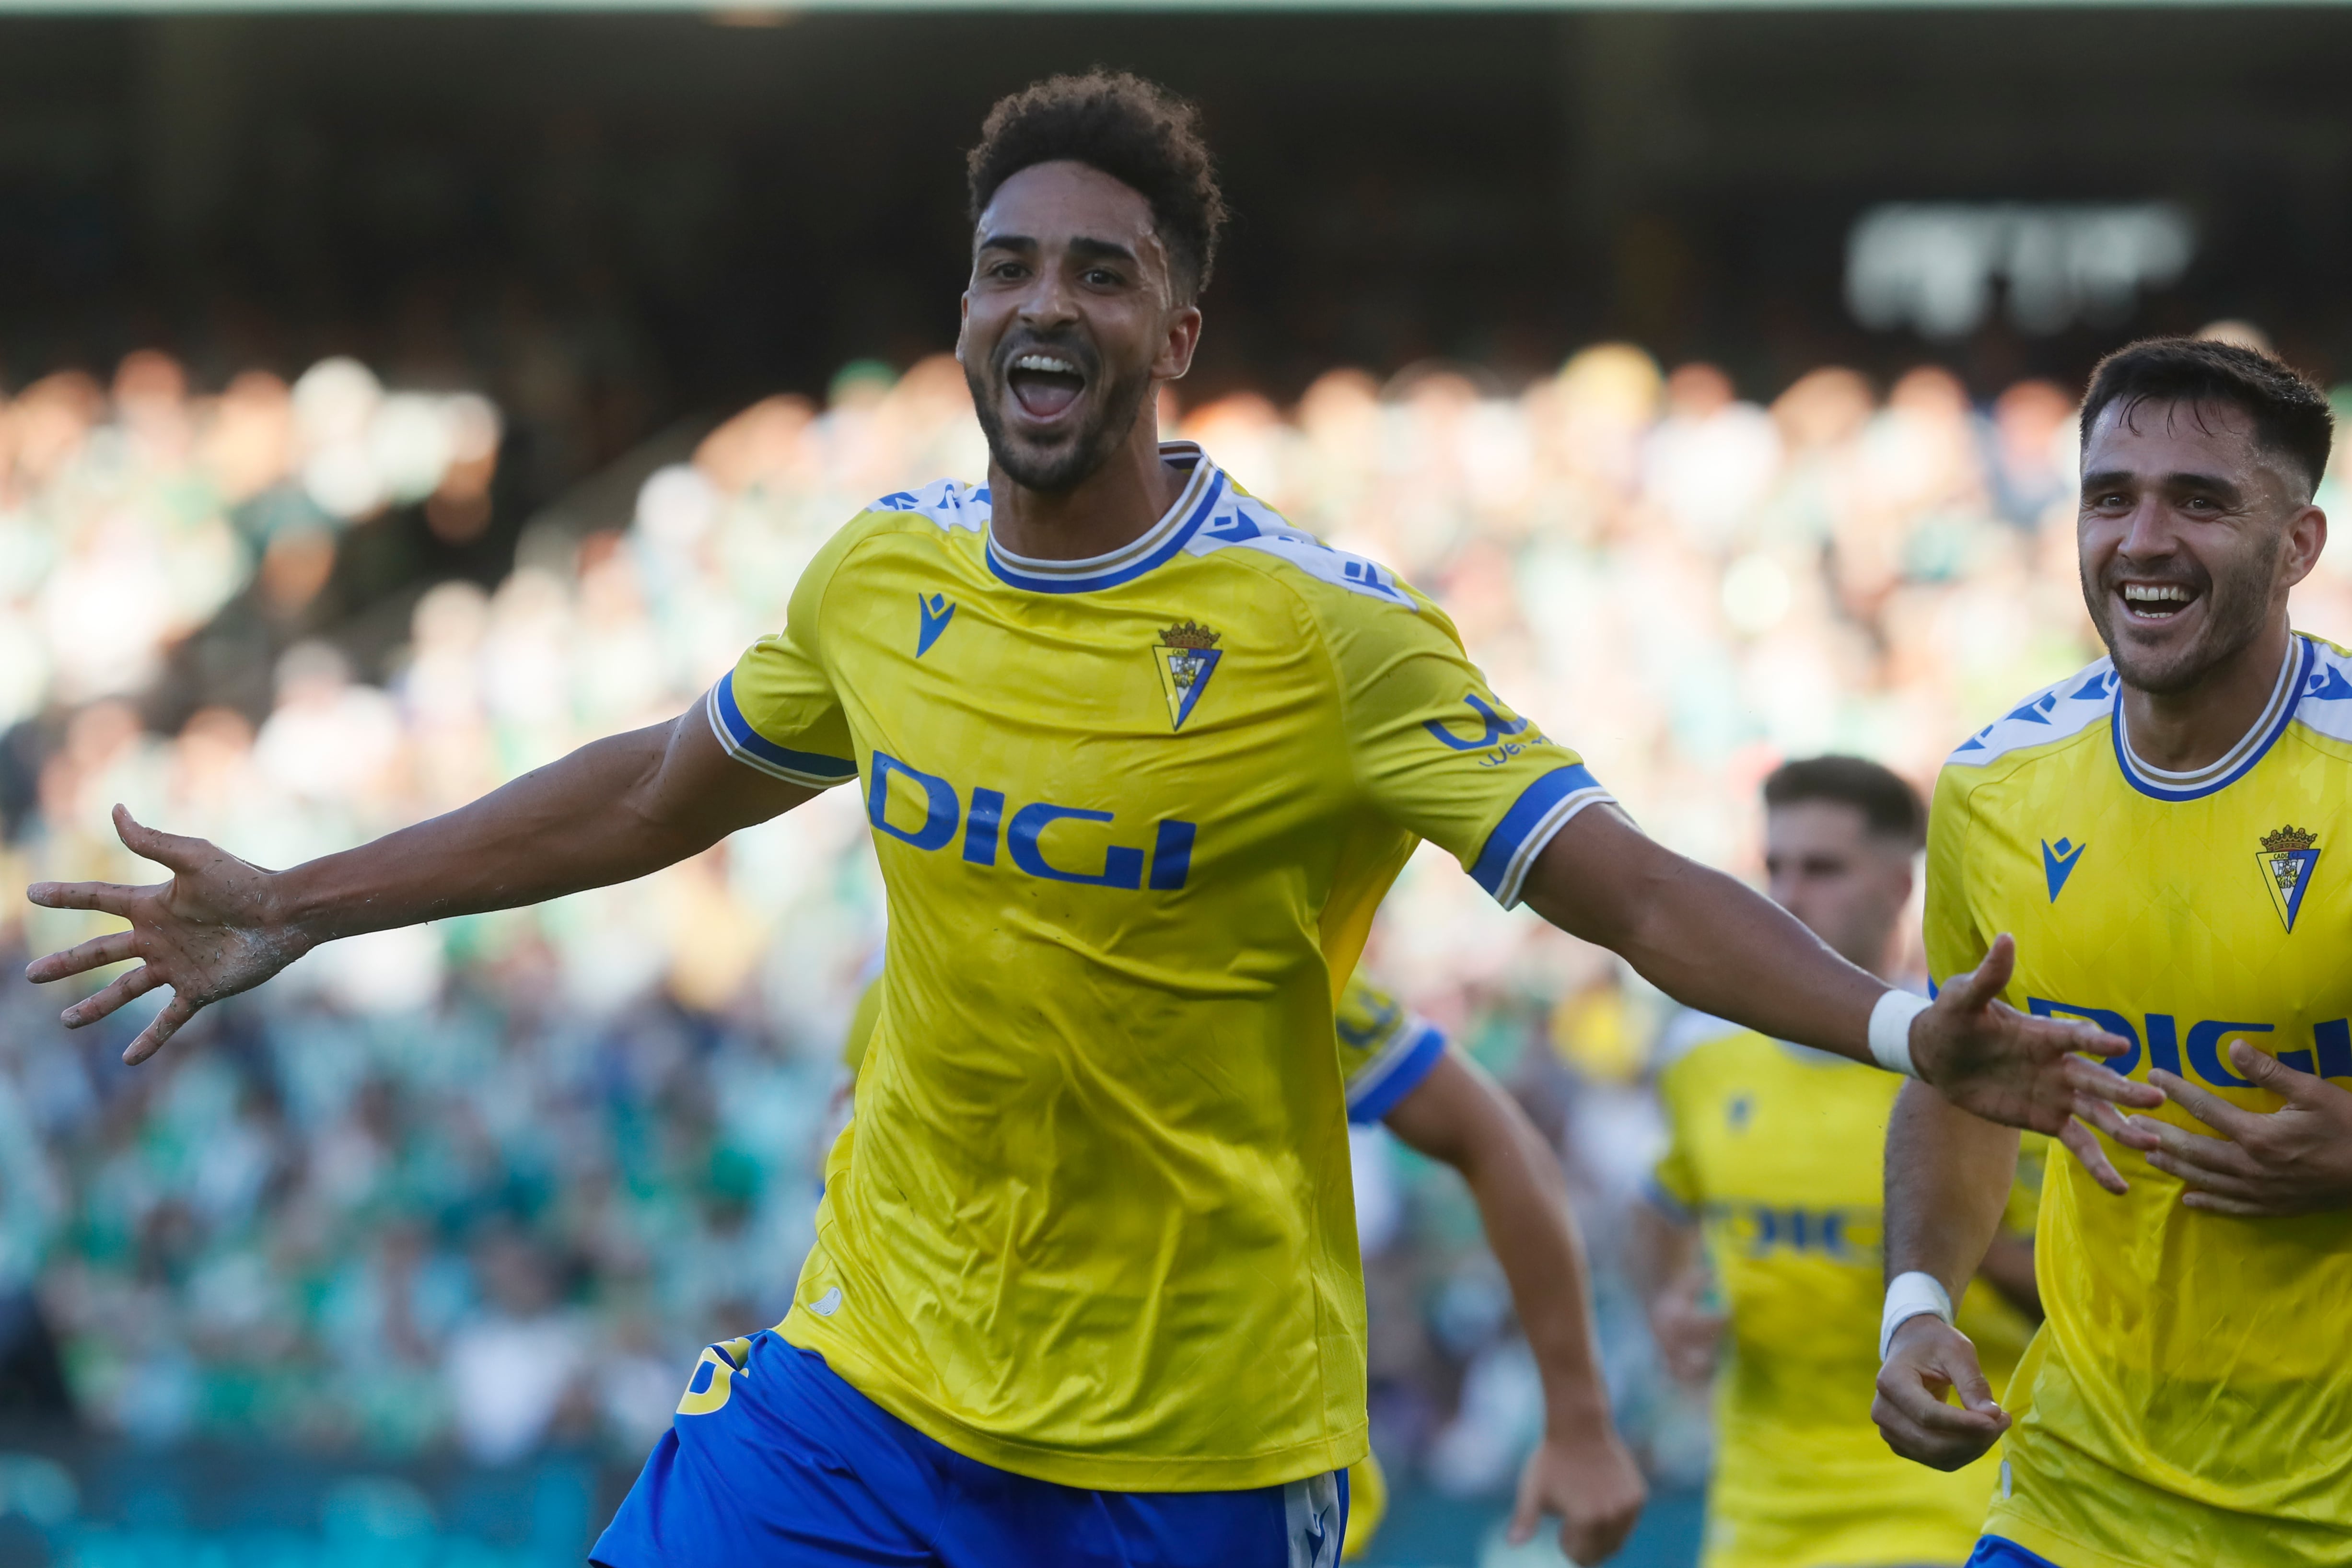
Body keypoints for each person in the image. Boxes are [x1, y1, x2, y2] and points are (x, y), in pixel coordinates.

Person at [28, 72, 2146, 1568]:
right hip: (872, 1378)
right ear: (963, 310)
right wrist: (305, 896)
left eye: (1097, 274)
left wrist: (1883, 1029)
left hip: (1197, 1444)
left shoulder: (1330, 642)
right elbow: (659, 785)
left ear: (1175, 332)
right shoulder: (879, 578)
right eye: (1004, 266)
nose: (1042, 303)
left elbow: (1622, 884)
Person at [1874, 337, 2352, 1568]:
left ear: (2295, 545)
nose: (2141, 539)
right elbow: (1965, 1079)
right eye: (2108, 497)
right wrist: (1915, 1307)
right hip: (2073, 1506)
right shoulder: (1992, 789)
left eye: (2199, 500)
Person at [828, 964, 1646, 1563]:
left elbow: (1494, 1139)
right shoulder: (906, 988)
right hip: (995, 1467)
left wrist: (1579, 1419)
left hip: (1227, 1488)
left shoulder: (1250, 968)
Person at [1634, 756, 2044, 1568]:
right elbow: (1659, 1211)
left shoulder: (1981, 1067)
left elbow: (2091, 1299)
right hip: (1760, 1509)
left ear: (1900, 887)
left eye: (1821, 869)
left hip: (1947, 1496)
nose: (1787, 895)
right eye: (1773, 867)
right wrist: (1673, 1300)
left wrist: (1956, 1252)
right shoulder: (1700, 1056)